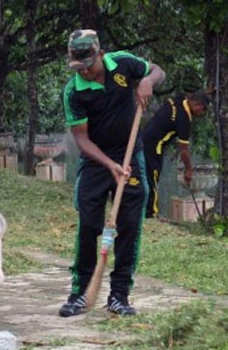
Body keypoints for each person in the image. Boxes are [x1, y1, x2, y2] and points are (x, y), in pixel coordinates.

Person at [59, 29, 165, 317]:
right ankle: (80, 293)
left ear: (100, 54)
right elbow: (82, 139)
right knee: (90, 224)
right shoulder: (74, 91)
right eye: (78, 67)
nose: (84, 72)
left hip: (131, 155)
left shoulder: (123, 63)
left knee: (130, 226)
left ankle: (119, 296)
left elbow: (158, 71)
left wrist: (146, 81)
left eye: (88, 66)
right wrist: (109, 165)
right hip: (96, 161)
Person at [142, 91, 210, 219]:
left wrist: (208, 92)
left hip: (144, 138)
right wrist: (189, 169)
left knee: (144, 176)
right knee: (153, 178)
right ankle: (151, 213)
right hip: (154, 145)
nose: (201, 113)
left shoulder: (178, 99)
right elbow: (184, 150)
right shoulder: (184, 119)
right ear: (197, 104)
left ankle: (143, 209)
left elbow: (192, 95)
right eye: (203, 109)